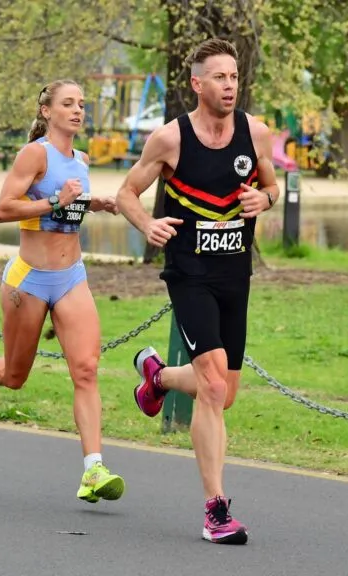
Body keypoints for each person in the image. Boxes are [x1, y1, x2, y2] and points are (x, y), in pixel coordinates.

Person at [115, 38, 280, 545]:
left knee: (224, 394)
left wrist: (264, 199)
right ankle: (215, 510)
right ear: (197, 83)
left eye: (234, 77)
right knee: (210, 389)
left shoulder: (256, 132)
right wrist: (147, 223)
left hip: (235, 276)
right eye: (219, 78)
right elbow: (126, 193)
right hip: (189, 275)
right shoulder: (170, 139)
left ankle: (158, 376)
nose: (230, 85)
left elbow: (273, 187)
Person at [0, 79, 125, 506]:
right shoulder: (34, 154)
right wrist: (55, 203)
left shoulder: (80, 159)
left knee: (86, 369)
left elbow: (68, 207)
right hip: (29, 280)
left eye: (82, 104)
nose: (78, 111)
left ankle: (93, 470)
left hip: (71, 277)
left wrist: (92, 203)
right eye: (68, 104)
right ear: (47, 111)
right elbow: (3, 209)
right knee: (14, 376)